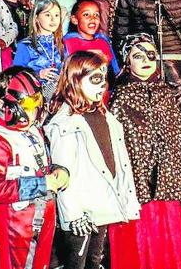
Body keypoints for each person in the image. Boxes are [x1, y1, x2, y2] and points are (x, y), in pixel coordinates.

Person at [109, 34, 181, 269]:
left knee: (166, 248)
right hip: (137, 193)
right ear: (127, 62)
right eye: (137, 55)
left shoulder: (166, 94)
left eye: (151, 55)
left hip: (167, 190)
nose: (146, 60)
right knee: (139, 248)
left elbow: (180, 142)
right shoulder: (121, 99)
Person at [46, 51, 140, 269]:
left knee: (95, 262)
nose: (102, 85)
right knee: (76, 264)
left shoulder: (104, 115)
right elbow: (62, 174)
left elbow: (117, 162)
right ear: (75, 80)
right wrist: (73, 214)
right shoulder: (67, 123)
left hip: (99, 206)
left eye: (104, 78)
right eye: (95, 79)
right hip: (81, 213)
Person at [0, 66, 69, 269]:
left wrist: (59, 172)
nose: (33, 112)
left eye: (35, 104)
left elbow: (41, 166)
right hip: (17, 222)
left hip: (44, 214)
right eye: (27, 106)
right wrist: (40, 184)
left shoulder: (35, 131)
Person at [13, 0, 65, 100]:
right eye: (47, 15)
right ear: (36, 17)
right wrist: (38, 74)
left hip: (58, 97)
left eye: (56, 15)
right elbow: (15, 74)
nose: (53, 19)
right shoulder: (26, 45)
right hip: (34, 98)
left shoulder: (61, 44)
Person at [63, 0, 120, 76]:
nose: (93, 18)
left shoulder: (103, 41)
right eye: (86, 15)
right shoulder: (68, 42)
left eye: (96, 15)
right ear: (75, 20)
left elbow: (113, 69)